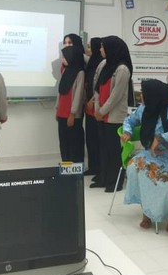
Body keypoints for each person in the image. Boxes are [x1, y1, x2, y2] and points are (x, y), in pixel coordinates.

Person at [121, 79, 168, 232]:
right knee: (134, 167)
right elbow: (129, 120)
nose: (141, 96)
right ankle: (147, 210)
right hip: (151, 153)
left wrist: (160, 138)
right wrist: (127, 132)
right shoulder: (144, 109)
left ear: (154, 96)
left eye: (144, 94)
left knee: (165, 180)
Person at [92, 36, 133, 192]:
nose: (100, 49)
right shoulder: (105, 64)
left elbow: (116, 96)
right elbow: (97, 88)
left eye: (103, 47)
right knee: (103, 149)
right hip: (101, 114)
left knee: (114, 151)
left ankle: (114, 182)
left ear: (112, 49)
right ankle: (103, 178)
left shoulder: (122, 69)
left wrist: (102, 111)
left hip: (114, 117)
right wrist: (97, 109)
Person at [56, 44, 85, 163]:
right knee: (63, 141)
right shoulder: (65, 71)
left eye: (64, 57)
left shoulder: (80, 73)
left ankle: (74, 166)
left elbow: (78, 95)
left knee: (73, 142)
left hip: (72, 114)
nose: (62, 60)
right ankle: (65, 164)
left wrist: (73, 113)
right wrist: (57, 109)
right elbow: (60, 91)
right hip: (61, 112)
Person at [84, 38, 102, 176]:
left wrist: (92, 99)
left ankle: (98, 168)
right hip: (88, 108)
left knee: (97, 140)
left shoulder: (100, 65)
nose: (87, 49)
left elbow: (100, 87)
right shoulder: (90, 63)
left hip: (96, 107)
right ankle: (92, 167)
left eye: (89, 47)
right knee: (90, 139)